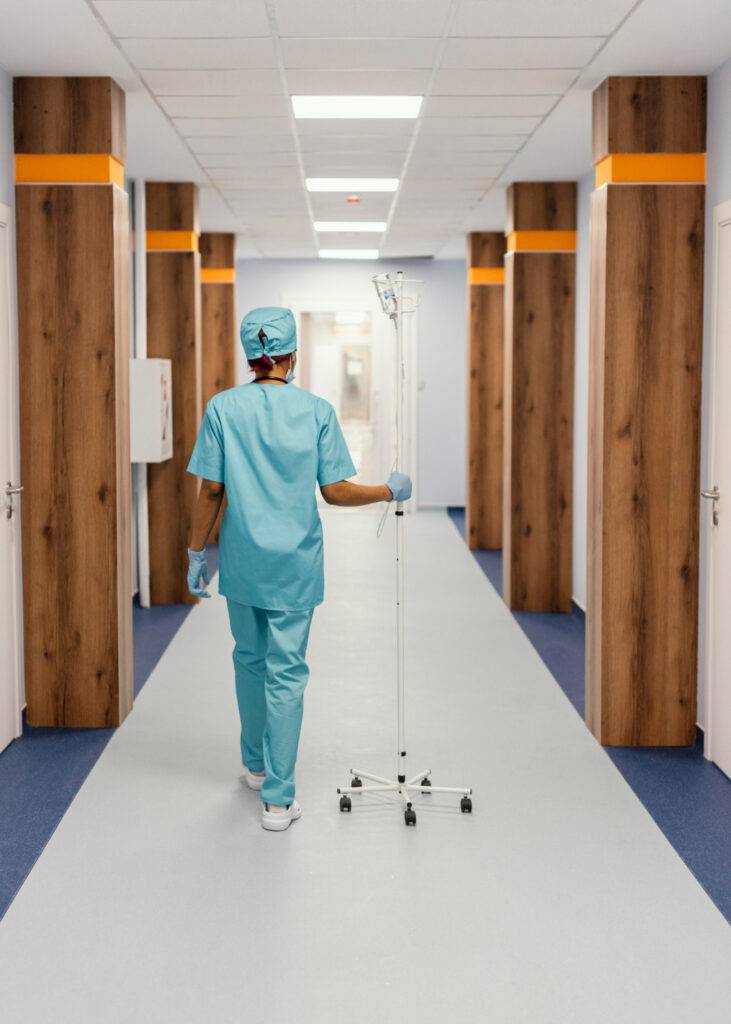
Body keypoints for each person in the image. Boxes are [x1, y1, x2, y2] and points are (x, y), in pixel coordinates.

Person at [186, 306, 412, 832]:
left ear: (250, 357)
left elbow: (212, 490)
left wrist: (197, 552)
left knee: (248, 660)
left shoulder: (222, 408)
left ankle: (256, 766)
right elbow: (334, 491)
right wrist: (387, 490)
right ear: (291, 354)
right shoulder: (315, 411)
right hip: (294, 567)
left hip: (241, 563)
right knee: (286, 674)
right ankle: (278, 801)